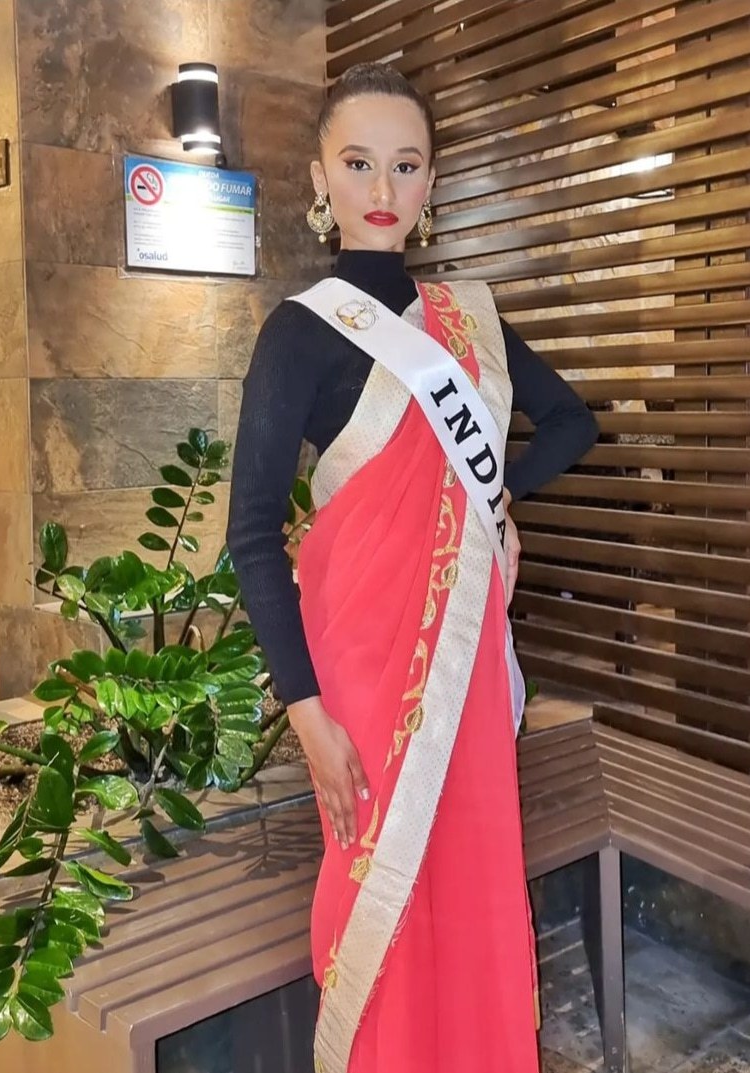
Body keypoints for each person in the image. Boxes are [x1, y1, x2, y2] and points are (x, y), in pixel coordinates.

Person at [227, 62, 599, 1073]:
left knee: (471, 874)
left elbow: (573, 421)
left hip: (461, 657)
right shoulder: (298, 332)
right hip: (354, 664)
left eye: (405, 164)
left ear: (431, 180)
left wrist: (499, 495)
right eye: (358, 164)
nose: (382, 187)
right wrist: (306, 714)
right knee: (373, 891)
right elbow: (250, 534)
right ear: (321, 177)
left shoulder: (468, 319)